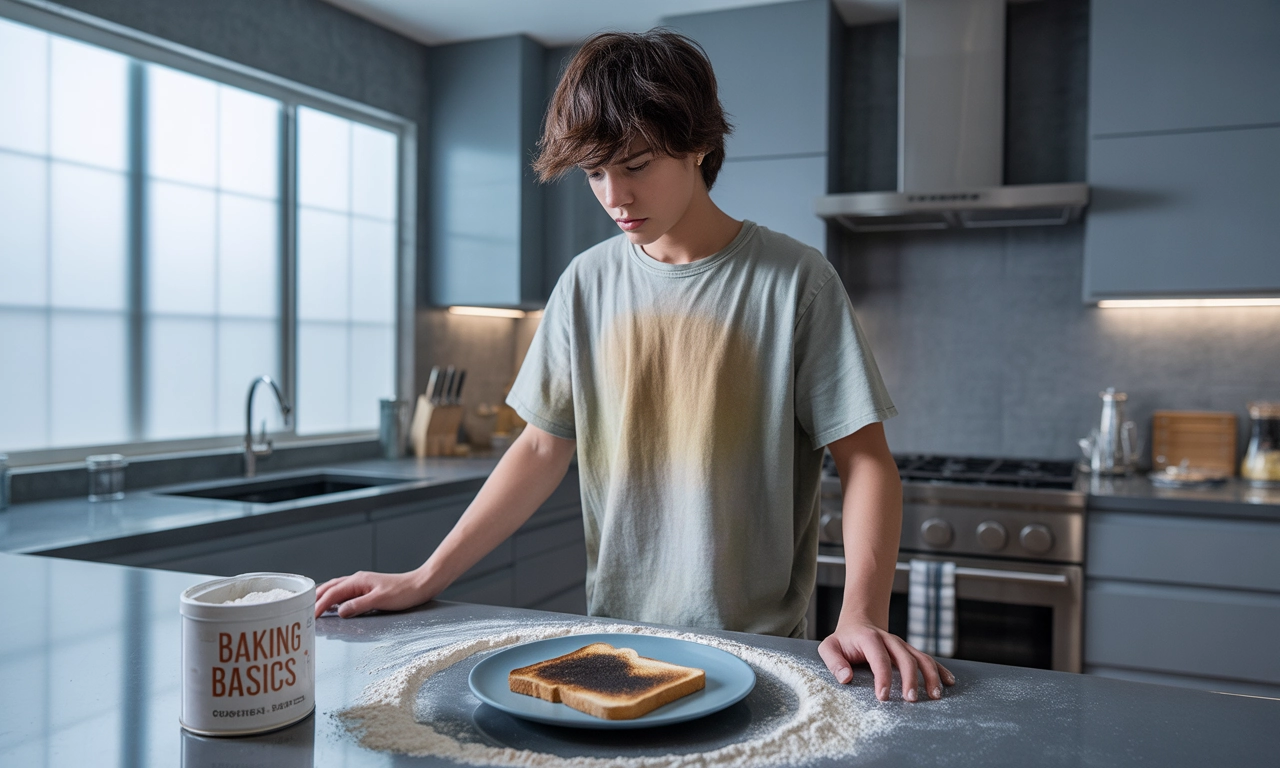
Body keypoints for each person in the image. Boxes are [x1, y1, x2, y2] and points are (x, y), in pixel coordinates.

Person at [314, 29, 954, 703]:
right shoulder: (585, 286)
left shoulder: (795, 282)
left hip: (764, 649)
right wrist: (424, 578)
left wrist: (861, 614)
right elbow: (537, 447)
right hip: (617, 646)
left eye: (637, 164)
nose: (615, 196)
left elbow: (866, 461)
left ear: (700, 144)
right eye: (594, 173)